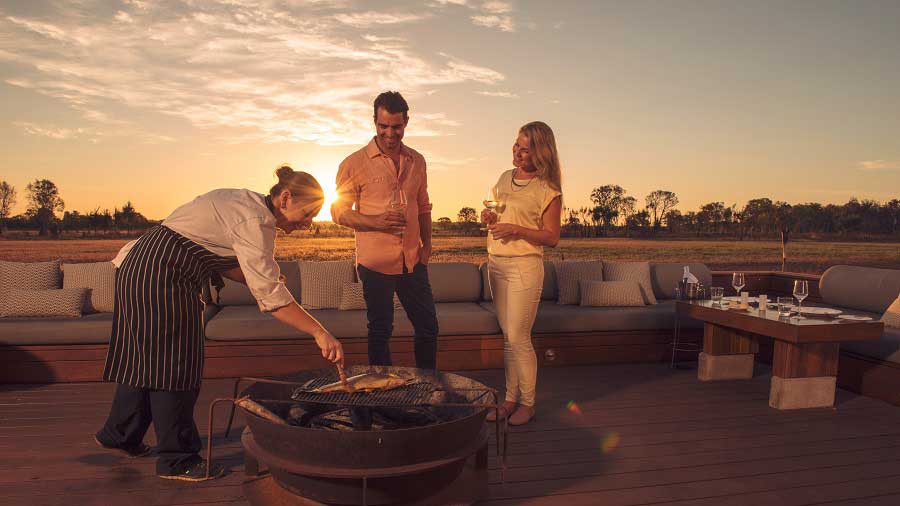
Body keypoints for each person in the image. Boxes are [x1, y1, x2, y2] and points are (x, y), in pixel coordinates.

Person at [95, 166, 344, 481]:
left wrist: (259, 277)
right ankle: (177, 459)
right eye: (307, 213)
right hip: (162, 277)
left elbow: (213, 255)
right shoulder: (255, 222)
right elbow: (272, 300)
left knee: (147, 358)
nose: (308, 223)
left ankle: (120, 433)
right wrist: (320, 332)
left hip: (141, 269)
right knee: (174, 366)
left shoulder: (244, 202)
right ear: (285, 198)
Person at [331, 91, 438, 370]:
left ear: (406, 122)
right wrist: (376, 222)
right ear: (375, 122)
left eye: (397, 126)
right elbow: (338, 212)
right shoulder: (353, 163)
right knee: (380, 331)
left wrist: (427, 246)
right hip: (375, 263)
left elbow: (424, 206)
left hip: (412, 260)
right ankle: (381, 395)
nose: (390, 133)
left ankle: (426, 389)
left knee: (428, 327)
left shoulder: (418, 161)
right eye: (384, 126)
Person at [481, 121, 562, 426]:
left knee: (518, 337)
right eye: (516, 145)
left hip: (524, 267)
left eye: (525, 149)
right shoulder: (504, 178)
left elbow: (552, 237)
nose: (517, 152)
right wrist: (489, 216)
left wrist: (515, 228)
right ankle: (510, 399)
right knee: (508, 338)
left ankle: (527, 403)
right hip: (496, 264)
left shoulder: (548, 190)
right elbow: (495, 215)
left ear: (541, 152)